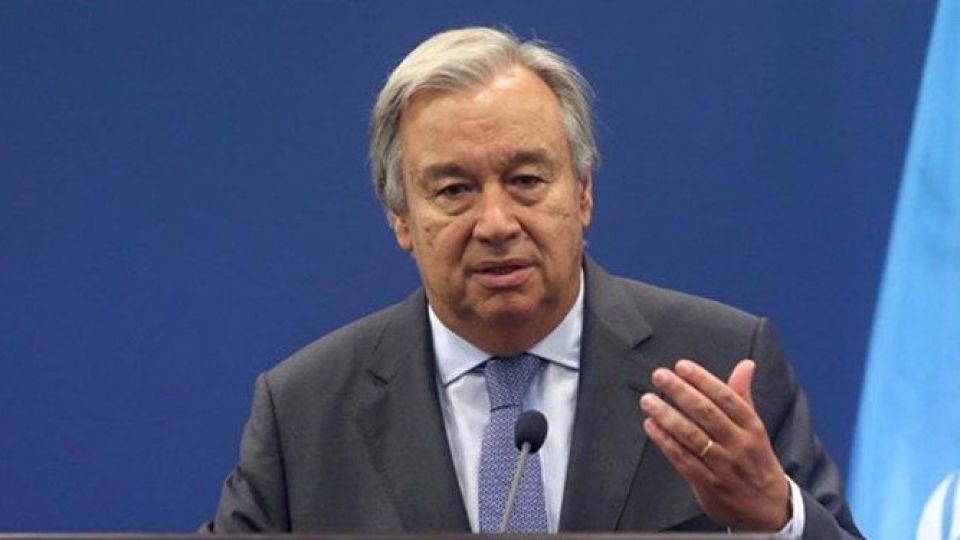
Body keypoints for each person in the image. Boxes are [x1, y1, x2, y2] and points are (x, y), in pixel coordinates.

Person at [205, 27, 862, 538]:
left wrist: (775, 516)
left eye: (525, 181)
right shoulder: (305, 412)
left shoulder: (720, 363)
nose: (496, 223)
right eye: (454, 190)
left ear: (583, 193)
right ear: (401, 217)